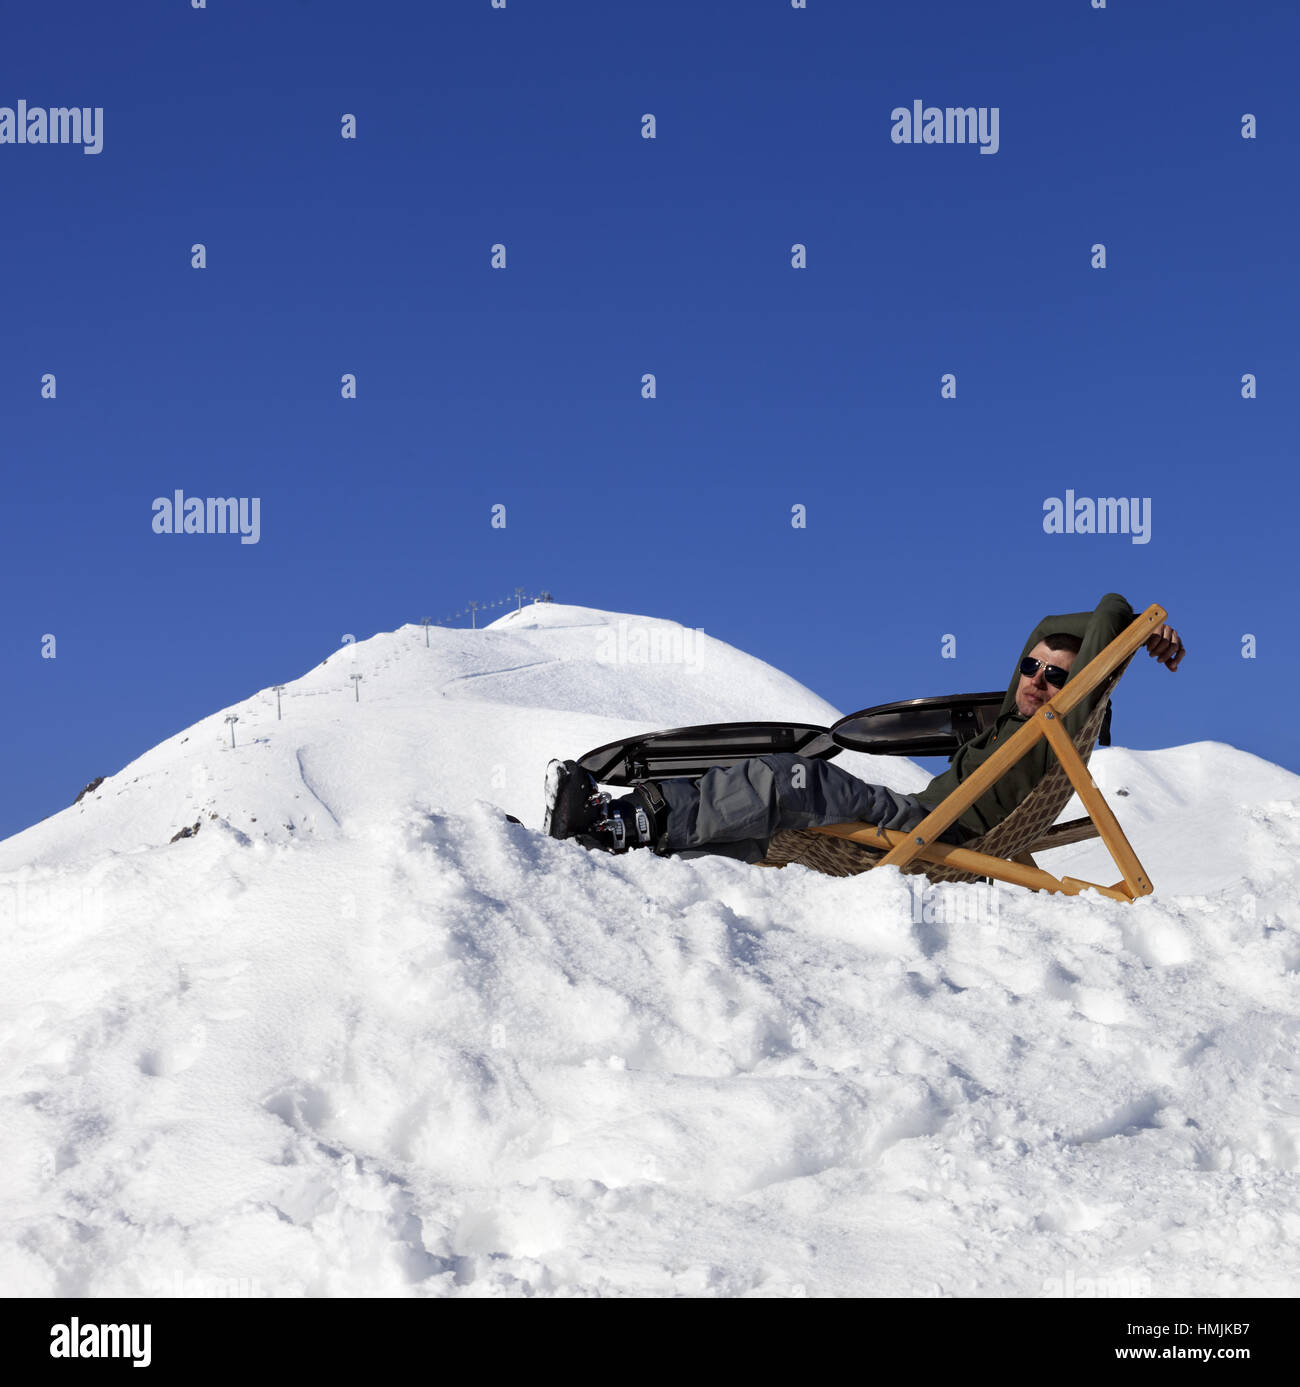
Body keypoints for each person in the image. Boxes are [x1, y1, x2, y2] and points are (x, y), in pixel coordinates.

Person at [544, 593, 1185, 863]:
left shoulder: (1048, 729)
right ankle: (621, 838)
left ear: (1075, 692)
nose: (1037, 679)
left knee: (795, 777)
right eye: (1030, 664)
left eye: (1055, 677)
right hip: (918, 814)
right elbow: (1052, 619)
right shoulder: (1020, 717)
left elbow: (1102, 613)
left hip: (931, 829)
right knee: (776, 817)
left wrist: (1134, 626)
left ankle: (622, 819)